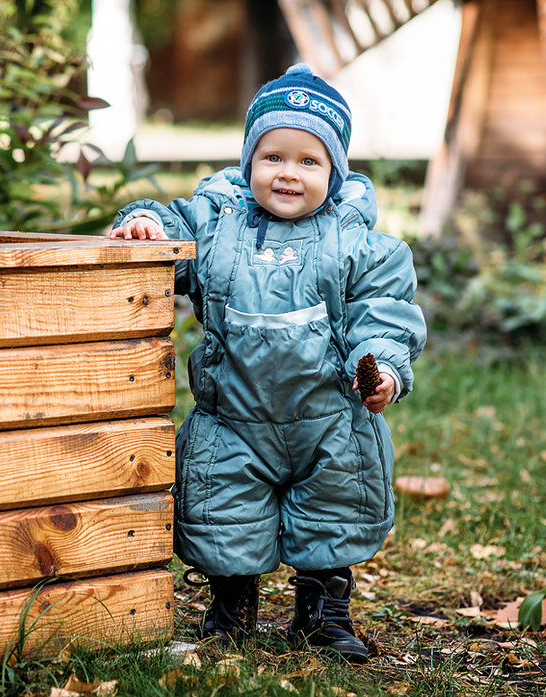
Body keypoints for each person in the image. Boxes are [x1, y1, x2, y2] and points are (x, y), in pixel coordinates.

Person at [108, 64, 426, 662]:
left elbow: (384, 313)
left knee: (333, 507)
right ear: (249, 161)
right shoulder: (216, 225)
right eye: (273, 156)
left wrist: (380, 367)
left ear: (334, 174)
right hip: (234, 416)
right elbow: (171, 232)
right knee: (225, 506)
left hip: (330, 417)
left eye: (309, 161)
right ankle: (233, 606)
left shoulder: (357, 243)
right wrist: (145, 225)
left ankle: (323, 610)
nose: (288, 173)